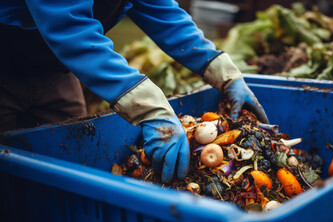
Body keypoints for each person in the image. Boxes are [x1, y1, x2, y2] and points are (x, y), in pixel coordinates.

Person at [0, 0, 268, 183]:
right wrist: (151, 109)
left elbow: (163, 13)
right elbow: (70, 27)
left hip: (54, 70)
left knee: (72, 165)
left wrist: (224, 72)